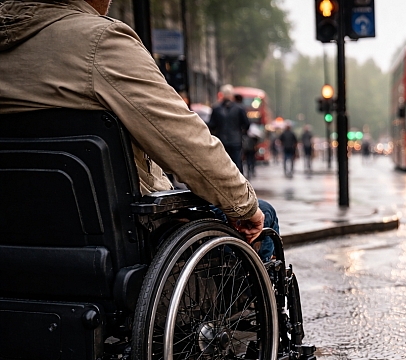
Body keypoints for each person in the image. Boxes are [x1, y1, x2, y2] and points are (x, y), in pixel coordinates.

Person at [0, 0, 277, 259]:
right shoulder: (100, 41)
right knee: (263, 214)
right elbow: (186, 141)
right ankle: (250, 307)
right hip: (116, 240)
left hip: (18, 246)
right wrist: (243, 204)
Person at [209, 85, 250, 174]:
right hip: (236, 141)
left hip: (221, 141)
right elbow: (246, 124)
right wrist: (241, 132)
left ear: (222, 95)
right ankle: (240, 184)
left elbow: (211, 125)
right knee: (237, 164)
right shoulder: (239, 108)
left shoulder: (216, 109)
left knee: (223, 164)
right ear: (231, 95)